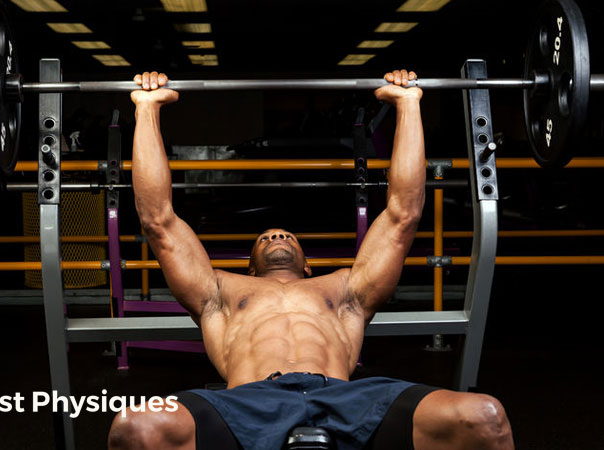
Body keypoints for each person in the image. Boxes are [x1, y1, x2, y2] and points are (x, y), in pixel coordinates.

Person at [108, 70, 514, 450]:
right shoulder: (219, 291)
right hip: (248, 401)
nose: (277, 234)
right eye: (265, 237)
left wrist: (407, 104)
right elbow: (158, 219)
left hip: (347, 397)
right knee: (135, 426)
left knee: (485, 416)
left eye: (286, 235)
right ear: (250, 266)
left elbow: (402, 215)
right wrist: (147, 109)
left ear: (308, 266)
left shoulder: (344, 288)